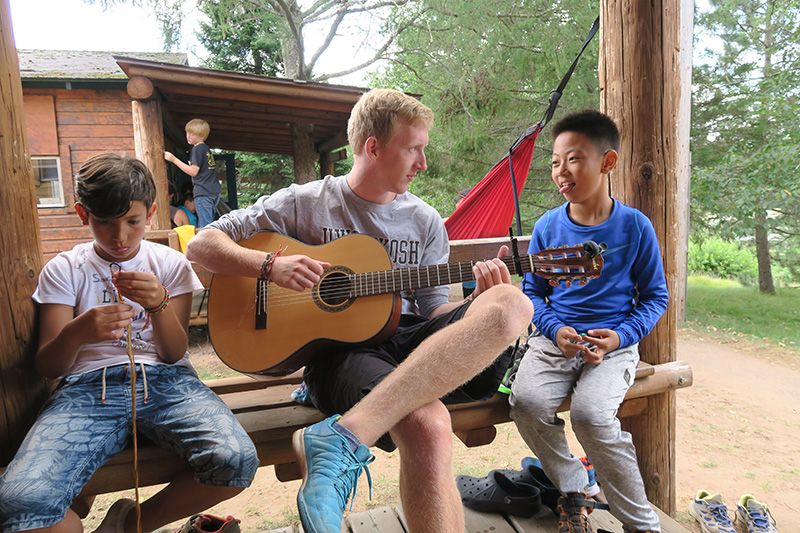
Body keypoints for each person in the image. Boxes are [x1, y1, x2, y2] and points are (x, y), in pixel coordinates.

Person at [186, 88, 533, 533]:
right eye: (414, 149)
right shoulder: (304, 201)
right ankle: (344, 437)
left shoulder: (425, 219)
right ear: (373, 146)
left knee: (509, 304)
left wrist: (475, 301)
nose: (422, 163)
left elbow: (433, 313)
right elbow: (202, 245)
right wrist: (270, 265)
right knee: (426, 421)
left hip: (410, 342)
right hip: (339, 356)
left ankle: (341, 437)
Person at [0, 154, 258, 533]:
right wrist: (77, 332)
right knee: (20, 504)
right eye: (105, 222)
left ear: (151, 212)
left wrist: (159, 305)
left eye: (133, 222)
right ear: (83, 214)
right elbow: (48, 367)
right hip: (87, 389)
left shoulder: (170, 265)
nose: (120, 236)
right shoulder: (65, 269)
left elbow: (173, 353)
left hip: (167, 382)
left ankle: (130, 525)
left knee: (235, 460)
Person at [509, 110, 669, 533]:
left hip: (612, 345)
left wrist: (619, 337)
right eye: (555, 162)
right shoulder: (547, 227)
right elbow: (533, 293)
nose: (561, 171)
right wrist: (555, 330)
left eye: (574, 159)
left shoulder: (635, 227)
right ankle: (576, 487)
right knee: (525, 403)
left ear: (607, 162)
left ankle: (641, 523)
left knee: (592, 416)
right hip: (555, 341)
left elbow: (656, 297)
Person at [165, 118, 221, 228]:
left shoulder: (197, 149)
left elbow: (193, 172)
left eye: (192, 134)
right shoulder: (206, 149)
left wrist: (173, 159)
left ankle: (207, 245)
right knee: (209, 223)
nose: (188, 136)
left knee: (205, 227)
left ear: (201, 136)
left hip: (203, 192)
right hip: (214, 191)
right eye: (187, 132)